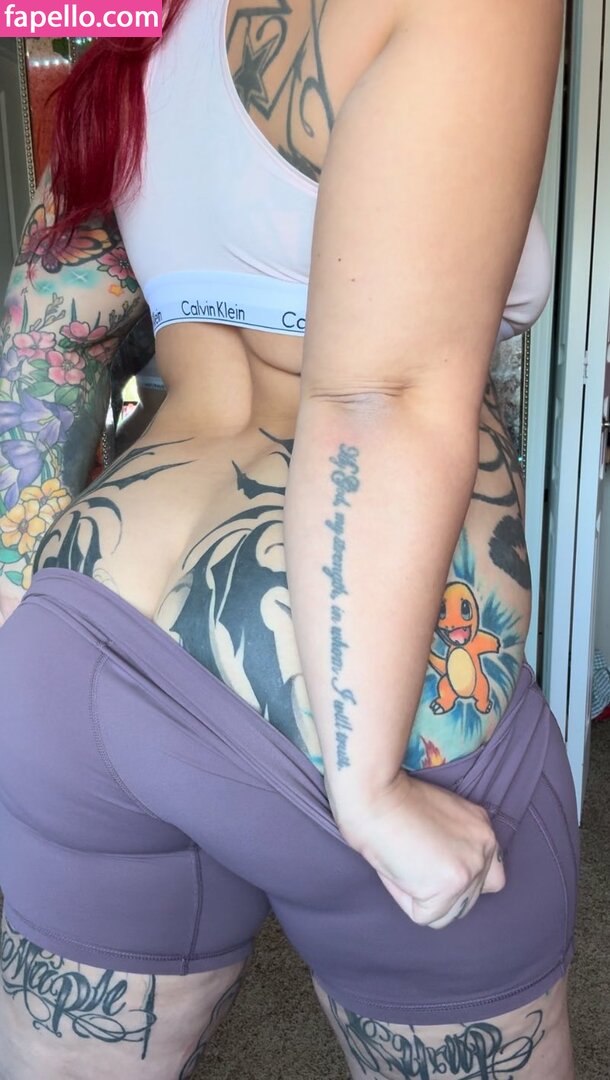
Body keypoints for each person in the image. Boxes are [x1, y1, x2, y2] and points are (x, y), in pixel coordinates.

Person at [0, 1, 576, 1077]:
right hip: (361, 693)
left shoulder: (130, 40)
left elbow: (48, 343)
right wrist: (369, 792)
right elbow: (380, 396)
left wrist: (11, 620)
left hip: (89, 627)